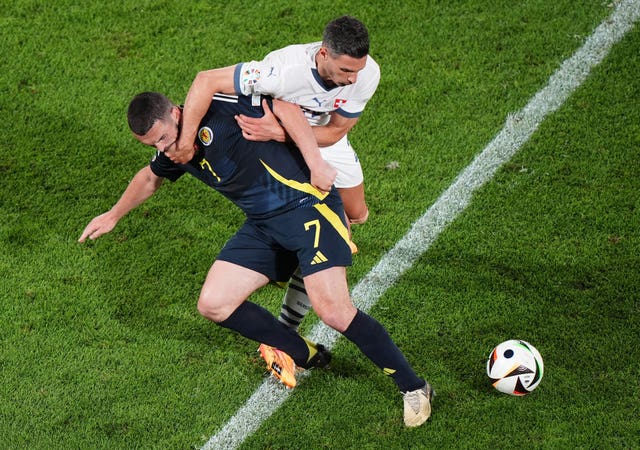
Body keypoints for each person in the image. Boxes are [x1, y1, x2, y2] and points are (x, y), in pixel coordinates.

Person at [78, 91, 434, 426]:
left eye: (164, 139)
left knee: (335, 312)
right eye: (153, 145)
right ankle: (302, 352)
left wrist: (312, 160)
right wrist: (113, 215)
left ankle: (414, 386)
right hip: (264, 226)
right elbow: (149, 178)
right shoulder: (176, 149)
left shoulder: (221, 111)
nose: (163, 150)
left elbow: (282, 104)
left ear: (177, 113)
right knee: (213, 303)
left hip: (308, 208)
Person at [173, 15, 379, 338]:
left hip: (319, 138)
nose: (354, 79)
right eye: (346, 71)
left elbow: (336, 131)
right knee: (326, 227)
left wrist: (284, 133)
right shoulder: (280, 70)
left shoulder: (367, 74)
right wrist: (185, 142)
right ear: (324, 54)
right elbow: (206, 81)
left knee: (357, 214)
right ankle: (291, 317)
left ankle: (311, 251)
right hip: (277, 144)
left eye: (358, 70)